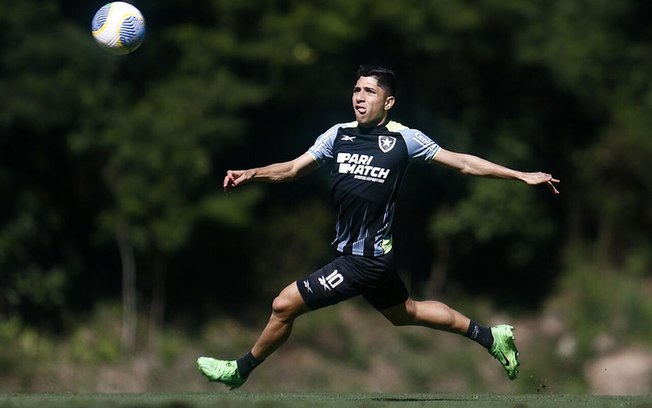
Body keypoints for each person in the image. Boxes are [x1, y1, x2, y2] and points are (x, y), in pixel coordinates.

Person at [197, 65, 560, 389]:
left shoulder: (406, 140)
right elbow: (292, 169)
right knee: (407, 313)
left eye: (370, 91)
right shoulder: (336, 135)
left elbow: (463, 162)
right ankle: (490, 337)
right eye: (356, 90)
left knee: (283, 304)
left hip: (364, 261)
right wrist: (252, 173)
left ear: (388, 102)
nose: (360, 97)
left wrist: (519, 175)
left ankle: (240, 370)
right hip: (367, 258)